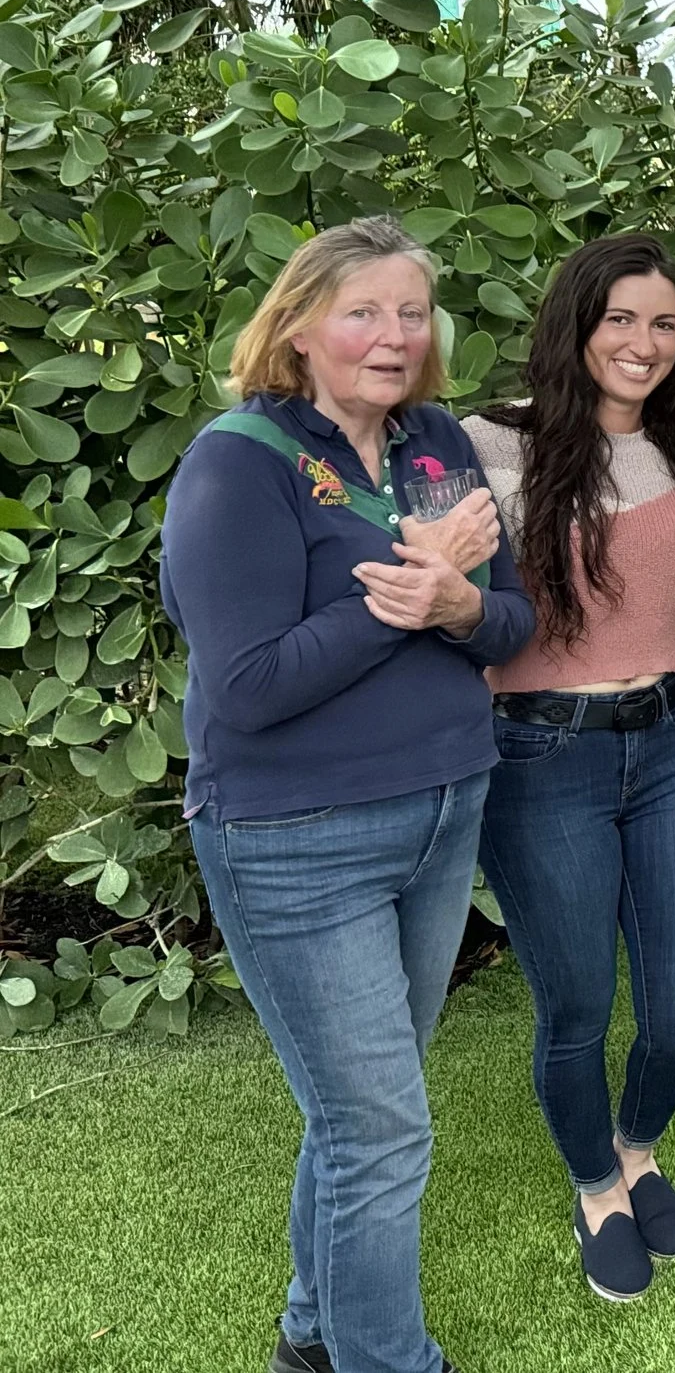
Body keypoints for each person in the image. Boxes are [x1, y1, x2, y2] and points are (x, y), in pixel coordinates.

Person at [161, 216, 533, 1373]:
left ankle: (313, 1336)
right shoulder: (240, 461)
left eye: (411, 313)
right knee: (379, 1128)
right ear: (301, 329)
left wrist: (462, 605)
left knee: (360, 1111)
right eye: (362, 312)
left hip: (441, 815)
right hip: (297, 840)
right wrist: (414, 593)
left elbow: (510, 622)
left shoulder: (435, 446)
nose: (393, 335)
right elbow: (253, 684)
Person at [463, 235, 675, 1302]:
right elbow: (464, 606)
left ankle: (637, 1142)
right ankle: (596, 1186)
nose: (642, 342)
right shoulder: (490, 444)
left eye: (663, 324)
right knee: (576, 1007)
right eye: (620, 318)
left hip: (673, 743)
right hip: (540, 758)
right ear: (576, 323)